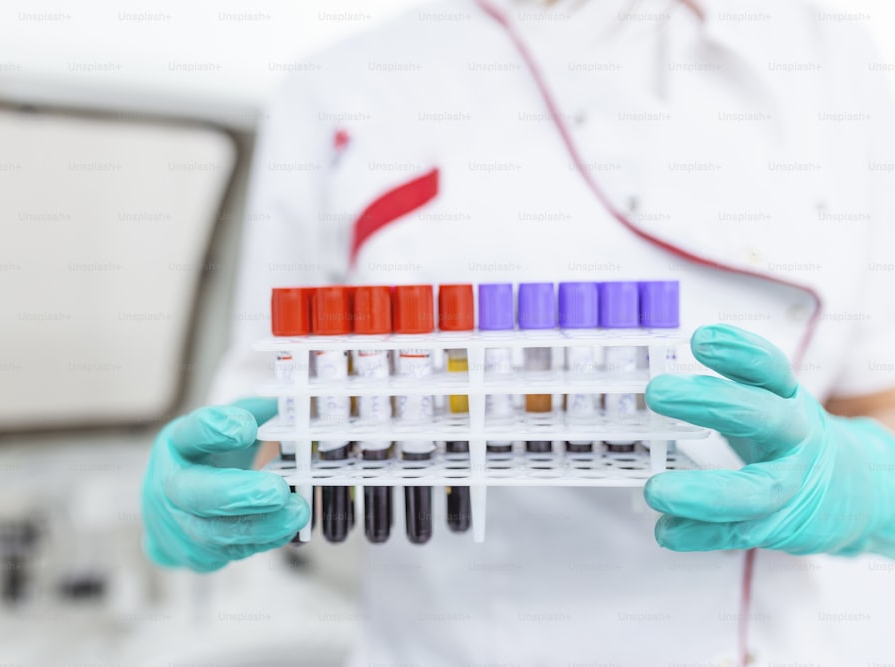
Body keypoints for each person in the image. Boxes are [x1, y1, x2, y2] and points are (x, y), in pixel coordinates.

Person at [141, 0, 895, 663]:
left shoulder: (833, 64)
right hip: (436, 646)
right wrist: (217, 487)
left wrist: (864, 485)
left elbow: (878, 399)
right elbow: (279, 409)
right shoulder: (342, 89)